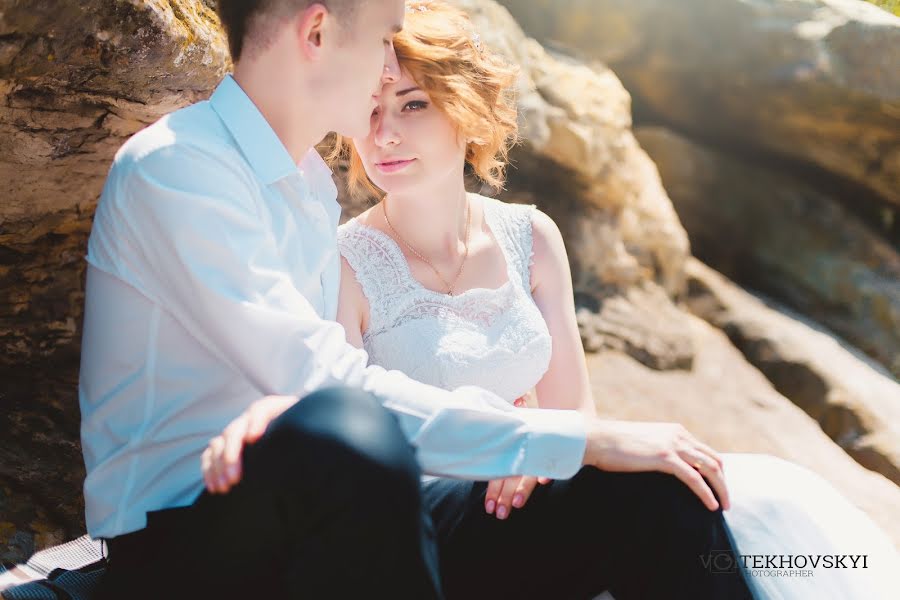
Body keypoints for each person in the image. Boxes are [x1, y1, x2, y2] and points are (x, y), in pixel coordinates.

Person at [79, 0, 756, 598]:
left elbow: (302, 385)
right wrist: (570, 435)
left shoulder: (307, 185)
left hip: (341, 497)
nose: (385, 72)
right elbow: (323, 383)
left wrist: (564, 445)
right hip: (187, 536)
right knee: (347, 430)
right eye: (384, 38)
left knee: (651, 488)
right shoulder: (177, 168)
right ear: (317, 31)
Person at [330, 2, 900, 599]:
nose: (384, 133)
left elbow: (576, 412)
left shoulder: (532, 236)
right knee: (653, 491)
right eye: (368, 109)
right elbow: (349, 442)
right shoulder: (343, 261)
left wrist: (541, 451)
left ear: (466, 110)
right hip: (422, 524)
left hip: (530, 491)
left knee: (715, 486)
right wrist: (518, 440)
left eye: (413, 104)